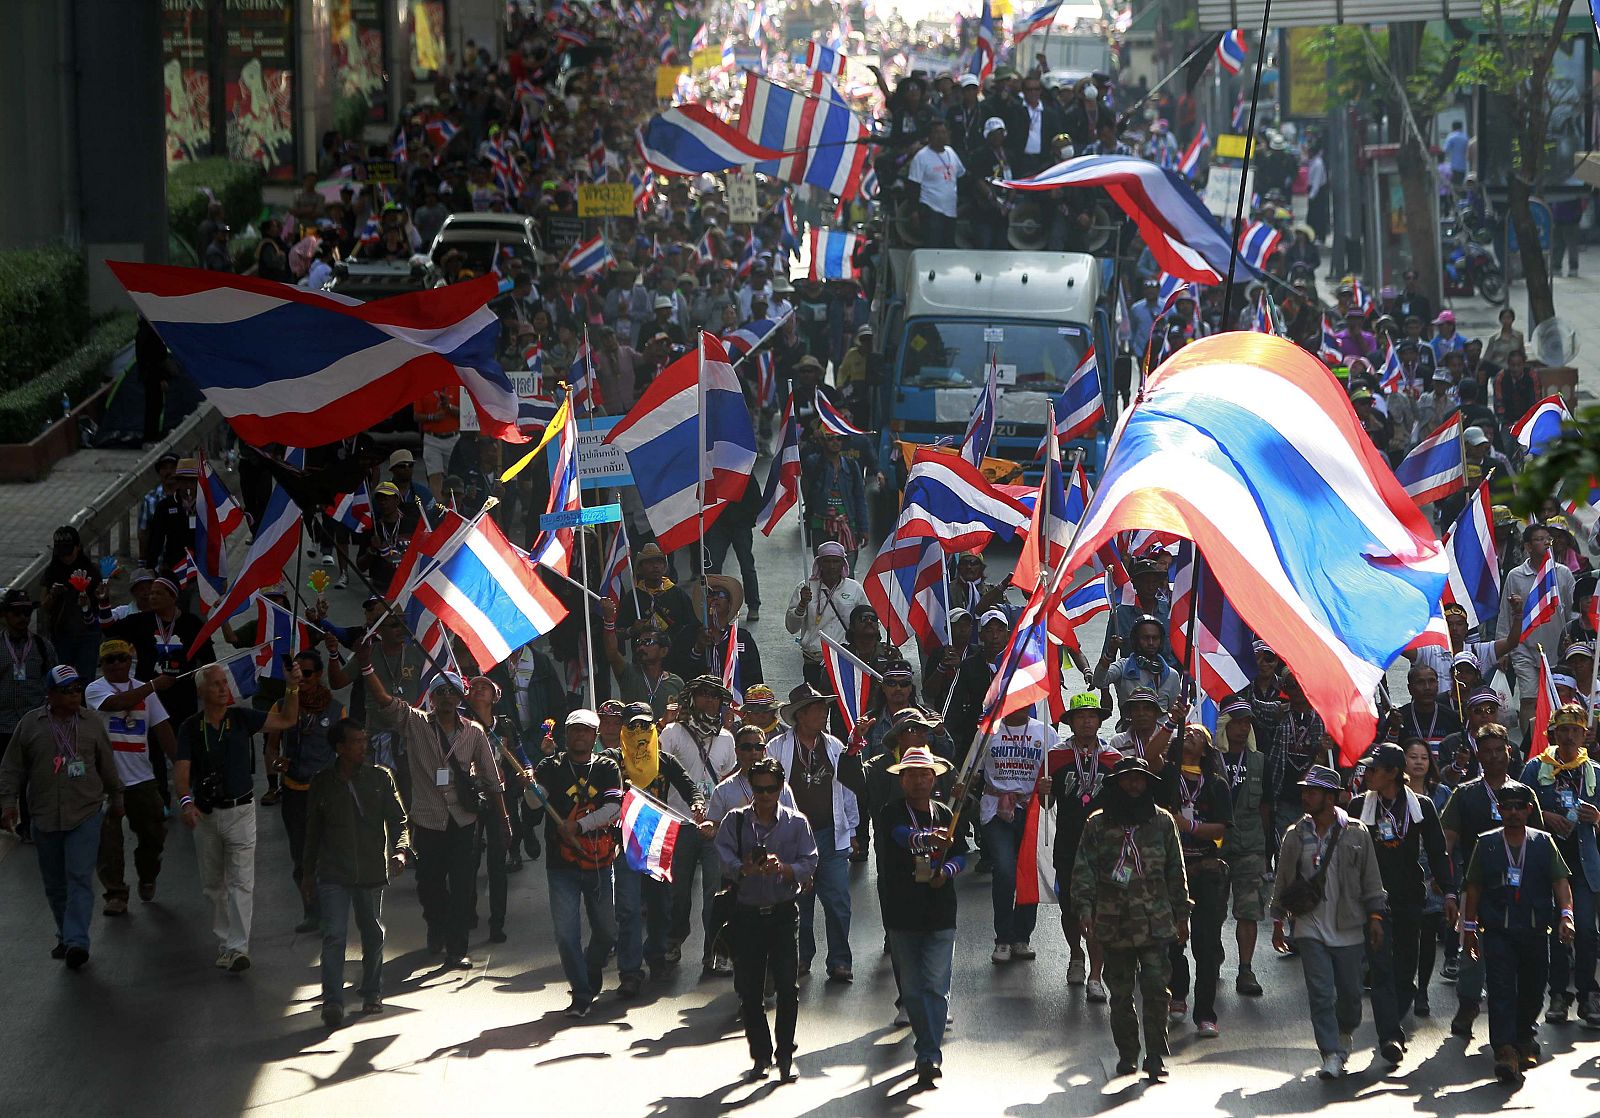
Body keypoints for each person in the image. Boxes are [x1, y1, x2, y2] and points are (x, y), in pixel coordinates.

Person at [361, 663, 510, 970]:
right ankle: (435, 925)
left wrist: (504, 820)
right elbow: (386, 702)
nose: (446, 697)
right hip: (428, 820)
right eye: (440, 691)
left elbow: (492, 779)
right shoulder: (415, 723)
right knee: (429, 885)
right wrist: (367, 668)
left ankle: (457, 949)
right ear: (431, 697)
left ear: (460, 697)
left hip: (463, 820)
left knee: (462, 886)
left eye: (452, 691)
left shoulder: (474, 731)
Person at [175, 661, 303, 972]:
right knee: (213, 886)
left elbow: (287, 719)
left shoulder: (241, 718)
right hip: (206, 815)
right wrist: (186, 803)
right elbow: (182, 771)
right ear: (202, 691)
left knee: (242, 882)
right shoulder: (190, 728)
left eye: (224, 683)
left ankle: (238, 947)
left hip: (242, 811)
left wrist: (292, 686)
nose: (223, 689)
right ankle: (225, 943)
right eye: (216, 684)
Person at [1071, 756, 1189, 1080]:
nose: (1133, 785)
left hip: (1155, 921)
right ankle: (1127, 1053)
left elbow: (1175, 871)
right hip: (1114, 922)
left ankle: (1155, 1054)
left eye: (1139, 779)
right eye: (1127, 780)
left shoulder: (1163, 822)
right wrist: (1084, 909)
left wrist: (1182, 914)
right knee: (1121, 994)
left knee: (1156, 989)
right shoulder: (1097, 824)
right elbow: (1083, 870)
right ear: (1116, 784)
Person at [1268, 765, 1388, 1080]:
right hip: (1309, 927)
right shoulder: (1295, 835)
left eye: (1313, 791)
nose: (1305, 796)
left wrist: (1376, 916)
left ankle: (1345, 1031)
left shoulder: (1356, 832)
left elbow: (1371, 879)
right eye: (1304, 791)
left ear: (1330, 797)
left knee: (1350, 996)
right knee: (1320, 992)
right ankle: (1331, 1053)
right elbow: (1283, 880)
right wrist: (1278, 920)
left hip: (1349, 927)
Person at [0, 665, 121, 969]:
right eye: (67, 691)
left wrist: (117, 798)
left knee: (79, 876)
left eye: (78, 689)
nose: (75, 695)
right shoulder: (31, 724)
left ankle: (77, 941)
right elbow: (11, 766)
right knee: (55, 884)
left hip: (85, 812)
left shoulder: (92, 723)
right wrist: (8, 803)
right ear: (50, 694)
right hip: (44, 816)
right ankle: (65, 935)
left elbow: (107, 764)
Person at [1461, 778, 1575, 1085]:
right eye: (1507, 807)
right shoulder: (1486, 844)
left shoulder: (1543, 843)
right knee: (1500, 988)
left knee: (1533, 989)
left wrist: (1566, 917)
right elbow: (1474, 887)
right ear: (1499, 810)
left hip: (1535, 930)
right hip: (1498, 931)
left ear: (1528, 810)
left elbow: (1560, 882)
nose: (1513, 812)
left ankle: (1525, 1037)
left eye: (1519, 807)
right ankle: (1505, 1051)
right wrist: (1469, 930)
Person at [715, 756, 818, 1082]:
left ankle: (785, 1053)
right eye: (759, 789)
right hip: (746, 915)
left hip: (783, 913)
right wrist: (744, 868)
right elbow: (723, 856)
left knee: (787, 987)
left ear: (780, 788)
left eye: (771, 789)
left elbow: (810, 861)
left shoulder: (796, 822)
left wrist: (784, 869)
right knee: (750, 990)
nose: (764, 796)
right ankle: (761, 1055)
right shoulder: (735, 821)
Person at [1347, 742, 1453, 1062]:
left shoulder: (1421, 807)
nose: (1367, 774)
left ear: (1393, 773)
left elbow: (1437, 852)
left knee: (1405, 972)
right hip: (1373, 901)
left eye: (1374, 769)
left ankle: (1393, 1019)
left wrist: (1449, 892)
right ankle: (1390, 1036)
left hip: (1410, 898)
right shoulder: (1358, 807)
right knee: (1380, 969)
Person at [302, 718, 411, 1027]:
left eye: (365, 740)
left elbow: (399, 820)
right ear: (340, 748)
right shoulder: (323, 783)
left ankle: (372, 990)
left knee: (372, 933)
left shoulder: (380, 777)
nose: (364, 746)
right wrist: (307, 874)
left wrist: (401, 850)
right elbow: (313, 831)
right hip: (333, 872)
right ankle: (332, 1001)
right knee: (334, 936)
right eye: (356, 742)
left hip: (370, 870)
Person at [877, 745, 968, 1088]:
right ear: (902, 780)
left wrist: (947, 870)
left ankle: (929, 1052)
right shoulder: (891, 813)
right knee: (913, 989)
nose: (918, 781)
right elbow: (902, 837)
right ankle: (927, 1044)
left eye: (924, 774)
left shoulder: (946, 813)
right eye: (911, 775)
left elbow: (961, 854)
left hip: (941, 912)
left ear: (934, 779)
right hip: (902, 912)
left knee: (936, 986)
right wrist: (928, 838)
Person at [767, 683, 866, 982]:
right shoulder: (777, 748)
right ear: (800, 715)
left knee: (838, 902)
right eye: (816, 709)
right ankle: (800, 957)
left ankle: (839, 961)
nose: (823, 714)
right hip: (793, 839)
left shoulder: (834, 746)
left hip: (830, 834)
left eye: (824, 709)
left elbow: (848, 789)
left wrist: (852, 830)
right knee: (799, 902)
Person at [532, 709, 622, 1016]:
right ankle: (581, 994)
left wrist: (579, 826)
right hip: (562, 866)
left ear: (594, 736)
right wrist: (531, 787)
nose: (579, 735)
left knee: (607, 932)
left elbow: (614, 808)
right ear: (566, 734)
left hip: (599, 863)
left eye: (585, 730)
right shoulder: (550, 766)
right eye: (574, 730)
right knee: (566, 934)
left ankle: (590, 967)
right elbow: (534, 802)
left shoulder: (607, 767)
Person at [615, 703, 708, 992]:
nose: (639, 732)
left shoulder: (664, 760)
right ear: (623, 730)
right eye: (633, 726)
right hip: (624, 843)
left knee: (660, 906)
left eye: (645, 726)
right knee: (629, 909)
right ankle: (630, 971)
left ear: (654, 728)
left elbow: (689, 787)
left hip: (656, 842)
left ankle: (656, 958)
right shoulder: (612, 760)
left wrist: (697, 803)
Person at [1520, 702, 1600, 1026]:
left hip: (1583, 866)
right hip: (1547, 865)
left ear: (1585, 735)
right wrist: (1544, 816)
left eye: (1575, 731)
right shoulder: (1535, 769)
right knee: (1554, 931)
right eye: (1563, 730)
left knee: (1586, 930)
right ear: (1552, 733)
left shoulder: (1594, 771)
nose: (1568, 736)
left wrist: (1597, 819)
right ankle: (1557, 994)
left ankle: (1587, 993)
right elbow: (1515, 811)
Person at [85, 639, 176, 914]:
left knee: (154, 834)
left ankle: (147, 875)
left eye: (121, 658)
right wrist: (153, 685)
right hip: (106, 781)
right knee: (109, 842)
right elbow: (115, 704)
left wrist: (182, 766)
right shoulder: (95, 689)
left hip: (142, 778)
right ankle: (116, 894)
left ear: (129, 661)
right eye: (109, 659)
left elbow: (163, 730)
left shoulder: (146, 690)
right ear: (101, 664)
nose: (116, 664)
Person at [1440, 723, 1515, 1037]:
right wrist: (1445, 881)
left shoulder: (1522, 793)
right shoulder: (1465, 794)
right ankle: (1468, 1003)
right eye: (1487, 751)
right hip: (1476, 887)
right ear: (1478, 756)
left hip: (1516, 888)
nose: (1494, 756)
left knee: (1516, 952)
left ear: (1509, 752)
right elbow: (1448, 840)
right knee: (1473, 951)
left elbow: (1538, 838)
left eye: (1499, 750)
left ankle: (1517, 1015)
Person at [1047, 692, 1121, 1002]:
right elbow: (1046, 804)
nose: (1087, 722)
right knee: (1070, 906)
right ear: (1071, 722)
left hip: (1102, 847)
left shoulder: (1113, 759)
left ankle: (1096, 975)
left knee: (1099, 909)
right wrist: (1043, 791)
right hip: (1068, 843)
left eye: (1092, 716)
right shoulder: (1055, 757)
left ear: (1100, 721)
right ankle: (1075, 954)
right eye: (1081, 716)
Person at [264, 649, 345, 934]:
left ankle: (331, 913)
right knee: (301, 857)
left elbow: (344, 751)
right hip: (294, 793)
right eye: (296, 673)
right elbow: (271, 747)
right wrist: (276, 764)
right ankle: (311, 912)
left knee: (328, 855)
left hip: (325, 793)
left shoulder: (336, 710)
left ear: (319, 674)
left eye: (307, 674)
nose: (301, 678)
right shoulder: (281, 706)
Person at [1161, 723, 1233, 1037]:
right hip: (1172, 873)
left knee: (1206, 944)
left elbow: (1220, 829)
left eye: (1197, 734)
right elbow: (1151, 756)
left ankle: (1205, 1013)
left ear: (1206, 748)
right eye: (1185, 731)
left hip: (1206, 871)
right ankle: (1177, 992)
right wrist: (1170, 724)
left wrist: (1188, 826)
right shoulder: (1167, 777)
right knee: (1171, 940)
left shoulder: (1216, 784)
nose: (1189, 734)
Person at [657, 675, 732, 971]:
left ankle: (714, 950)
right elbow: (656, 768)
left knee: (715, 893)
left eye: (715, 696)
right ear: (691, 698)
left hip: (715, 827)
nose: (710, 701)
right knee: (678, 892)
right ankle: (674, 939)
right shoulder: (673, 733)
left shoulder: (727, 739)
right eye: (703, 694)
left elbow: (728, 779)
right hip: (680, 823)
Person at [981, 703, 1053, 964]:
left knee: (1027, 871)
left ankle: (1022, 936)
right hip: (996, 811)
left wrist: (1049, 787)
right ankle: (1003, 938)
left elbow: (1054, 769)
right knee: (1004, 870)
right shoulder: (987, 732)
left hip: (1031, 810)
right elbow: (972, 770)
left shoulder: (1045, 732)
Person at [1216, 698, 1270, 996]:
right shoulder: (1211, 760)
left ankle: (1246, 969)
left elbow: (1266, 806)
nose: (1242, 728)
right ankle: (1212, 958)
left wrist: (1266, 849)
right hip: (1215, 847)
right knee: (1212, 910)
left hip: (1250, 846)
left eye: (1247, 722)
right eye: (1237, 722)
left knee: (1249, 910)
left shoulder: (1259, 761)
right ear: (1225, 725)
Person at [0, 588, 59, 835]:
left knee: (33, 777)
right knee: (6, 774)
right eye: (17, 613)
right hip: (2, 722)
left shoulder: (43, 647)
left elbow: (55, 681)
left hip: (35, 722)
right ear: (5, 615)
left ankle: (29, 825)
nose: (23, 618)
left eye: (27, 612)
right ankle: (6, 814)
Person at [785, 542, 867, 690]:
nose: (831, 566)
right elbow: (791, 627)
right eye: (827, 561)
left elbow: (867, 621)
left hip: (844, 660)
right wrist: (802, 604)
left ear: (843, 564)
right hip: (814, 661)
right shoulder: (805, 588)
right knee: (817, 703)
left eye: (836, 561)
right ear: (820, 563)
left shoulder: (854, 588)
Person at [906, 121, 964, 248]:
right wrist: (914, 211)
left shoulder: (951, 152)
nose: (940, 136)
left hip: (950, 210)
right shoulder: (921, 157)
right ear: (930, 136)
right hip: (931, 209)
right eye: (936, 132)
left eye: (943, 132)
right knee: (933, 246)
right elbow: (913, 185)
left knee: (948, 247)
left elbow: (961, 174)